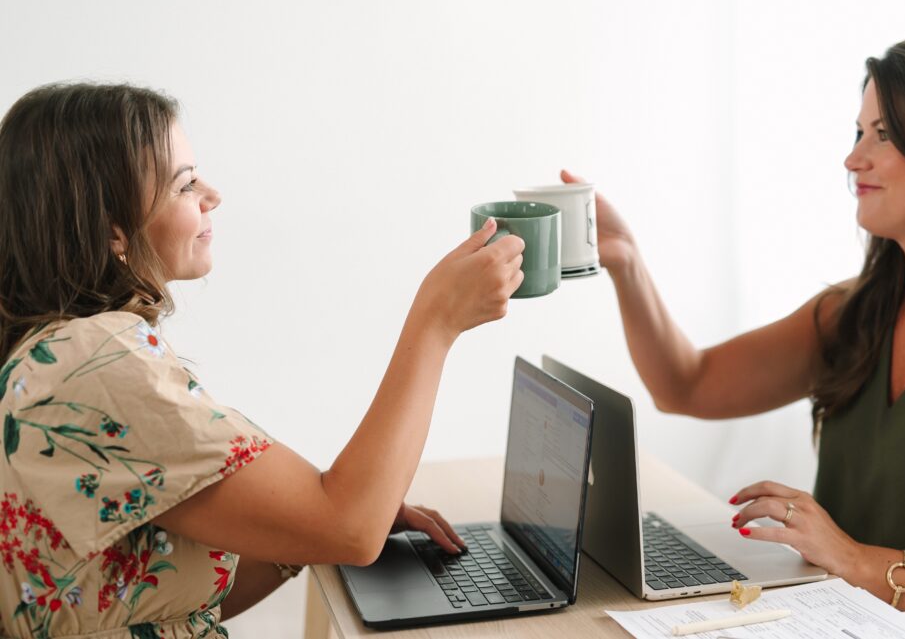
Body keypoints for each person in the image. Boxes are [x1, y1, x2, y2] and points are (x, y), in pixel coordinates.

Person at [0, 83, 525, 638]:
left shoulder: (56, 353)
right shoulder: (98, 365)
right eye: (185, 184)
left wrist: (300, 535)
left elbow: (159, 600)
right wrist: (437, 321)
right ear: (112, 233)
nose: (212, 195)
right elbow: (351, 528)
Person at [564, 32, 905, 639]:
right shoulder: (852, 315)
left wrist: (857, 562)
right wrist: (627, 262)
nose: (853, 158)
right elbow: (687, 385)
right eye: (858, 132)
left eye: (883, 135)